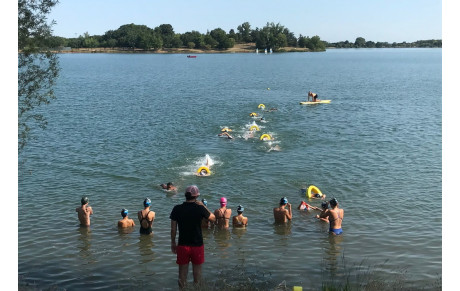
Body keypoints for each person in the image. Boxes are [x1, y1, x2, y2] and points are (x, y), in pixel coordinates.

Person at [170, 185, 216, 289]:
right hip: (197, 245)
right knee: (197, 276)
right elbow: (213, 218)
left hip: (182, 245)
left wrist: (173, 242)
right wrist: (203, 206)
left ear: (186, 195)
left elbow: (173, 229)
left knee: (182, 275)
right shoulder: (200, 208)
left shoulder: (177, 209)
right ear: (196, 196)